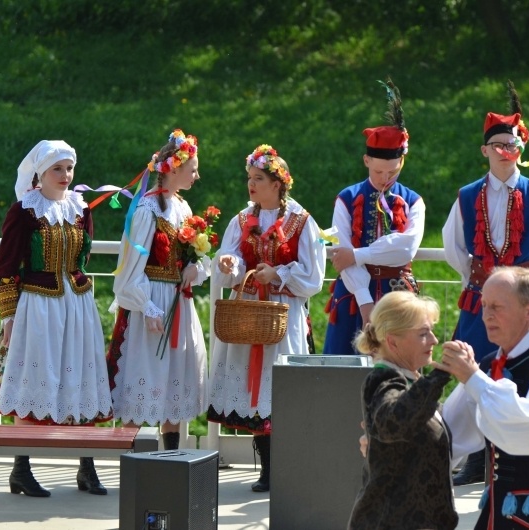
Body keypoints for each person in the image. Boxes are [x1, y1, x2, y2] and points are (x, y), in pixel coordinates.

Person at [0, 140, 113, 497]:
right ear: (40, 172)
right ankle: (21, 469)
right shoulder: (24, 211)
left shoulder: (81, 207)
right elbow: (5, 267)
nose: (65, 176)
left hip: (77, 305)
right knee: (33, 377)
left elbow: (84, 256)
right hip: (38, 306)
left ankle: (87, 467)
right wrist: (8, 317)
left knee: (81, 377)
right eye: (57, 169)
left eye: (69, 168)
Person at [442, 80, 529, 486]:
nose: (505, 152)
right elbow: (454, 245)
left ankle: (514, 450)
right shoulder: (468, 194)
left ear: (520, 150)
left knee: (518, 372)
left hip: (524, 302)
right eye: (498, 145)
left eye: (512, 145)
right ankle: (475, 455)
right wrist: (480, 282)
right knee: (474, 371)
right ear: (485, 150)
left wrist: (523, 288)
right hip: (480, 300)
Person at [208, 144, 326, 492]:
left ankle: (283, 467)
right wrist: (229, 265)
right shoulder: (243, 219)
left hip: (282, 317)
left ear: (278, 183)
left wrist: (276, 275)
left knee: (278, 385)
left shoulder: (302, 222)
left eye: (258, 178)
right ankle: (266, 469)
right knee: (255, 392)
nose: (251, 185)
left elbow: (314, 277)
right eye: (249, 178)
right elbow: (229, 257)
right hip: (248, 316)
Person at [436, 267, 529, 530]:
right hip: (498, 514)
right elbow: (449, 432)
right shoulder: (487, 365)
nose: (486, 316)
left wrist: (473, 379)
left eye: (497, 306)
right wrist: (396, 438)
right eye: (484, 305)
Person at [106, 129, 208, 452]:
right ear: (174, 169)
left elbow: (194, 256)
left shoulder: (182, 207)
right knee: (143, 376)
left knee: (172, 378)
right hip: (152, 305)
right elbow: (131, 266)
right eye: (192, 168)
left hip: (178, 302)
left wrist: (198, 269)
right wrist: (146, 306)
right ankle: (130, 458)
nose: (196, 174)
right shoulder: (148, 209)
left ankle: (172, 455)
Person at [323, 78, 424, 355]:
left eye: (392, 172)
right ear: (367, 161)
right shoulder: (346, 199)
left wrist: (358, 255)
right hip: (354, 296)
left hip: (397, 296)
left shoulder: (413, 201)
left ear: (402, 161)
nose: (385, 178)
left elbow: (405, 249)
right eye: (378, 171)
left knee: (398, 370)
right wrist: (366, 303)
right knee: (344, 372)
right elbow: (340, 251)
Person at [348, 291, 457, 530]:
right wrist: (439, 376)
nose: (434, 340)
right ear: (393, 341)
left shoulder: (409, 380)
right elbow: (394, 422)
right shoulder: (383, 378)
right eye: (423, 334)